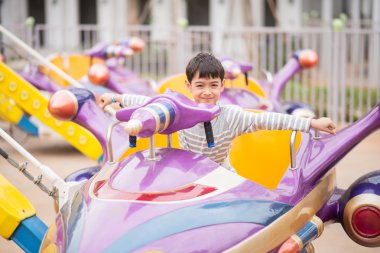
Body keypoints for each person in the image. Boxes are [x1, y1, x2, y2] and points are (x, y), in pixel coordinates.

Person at [99, 52, 336, 172]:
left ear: (223, 85)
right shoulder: (179, 106)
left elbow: (267, 119)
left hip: (221, 173)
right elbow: (145, 101)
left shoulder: (231, 115)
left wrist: (312, 124)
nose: (207, 92)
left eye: (213, 85)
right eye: (200, 86)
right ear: (189, 86)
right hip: (186, 171)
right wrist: (115, 98)